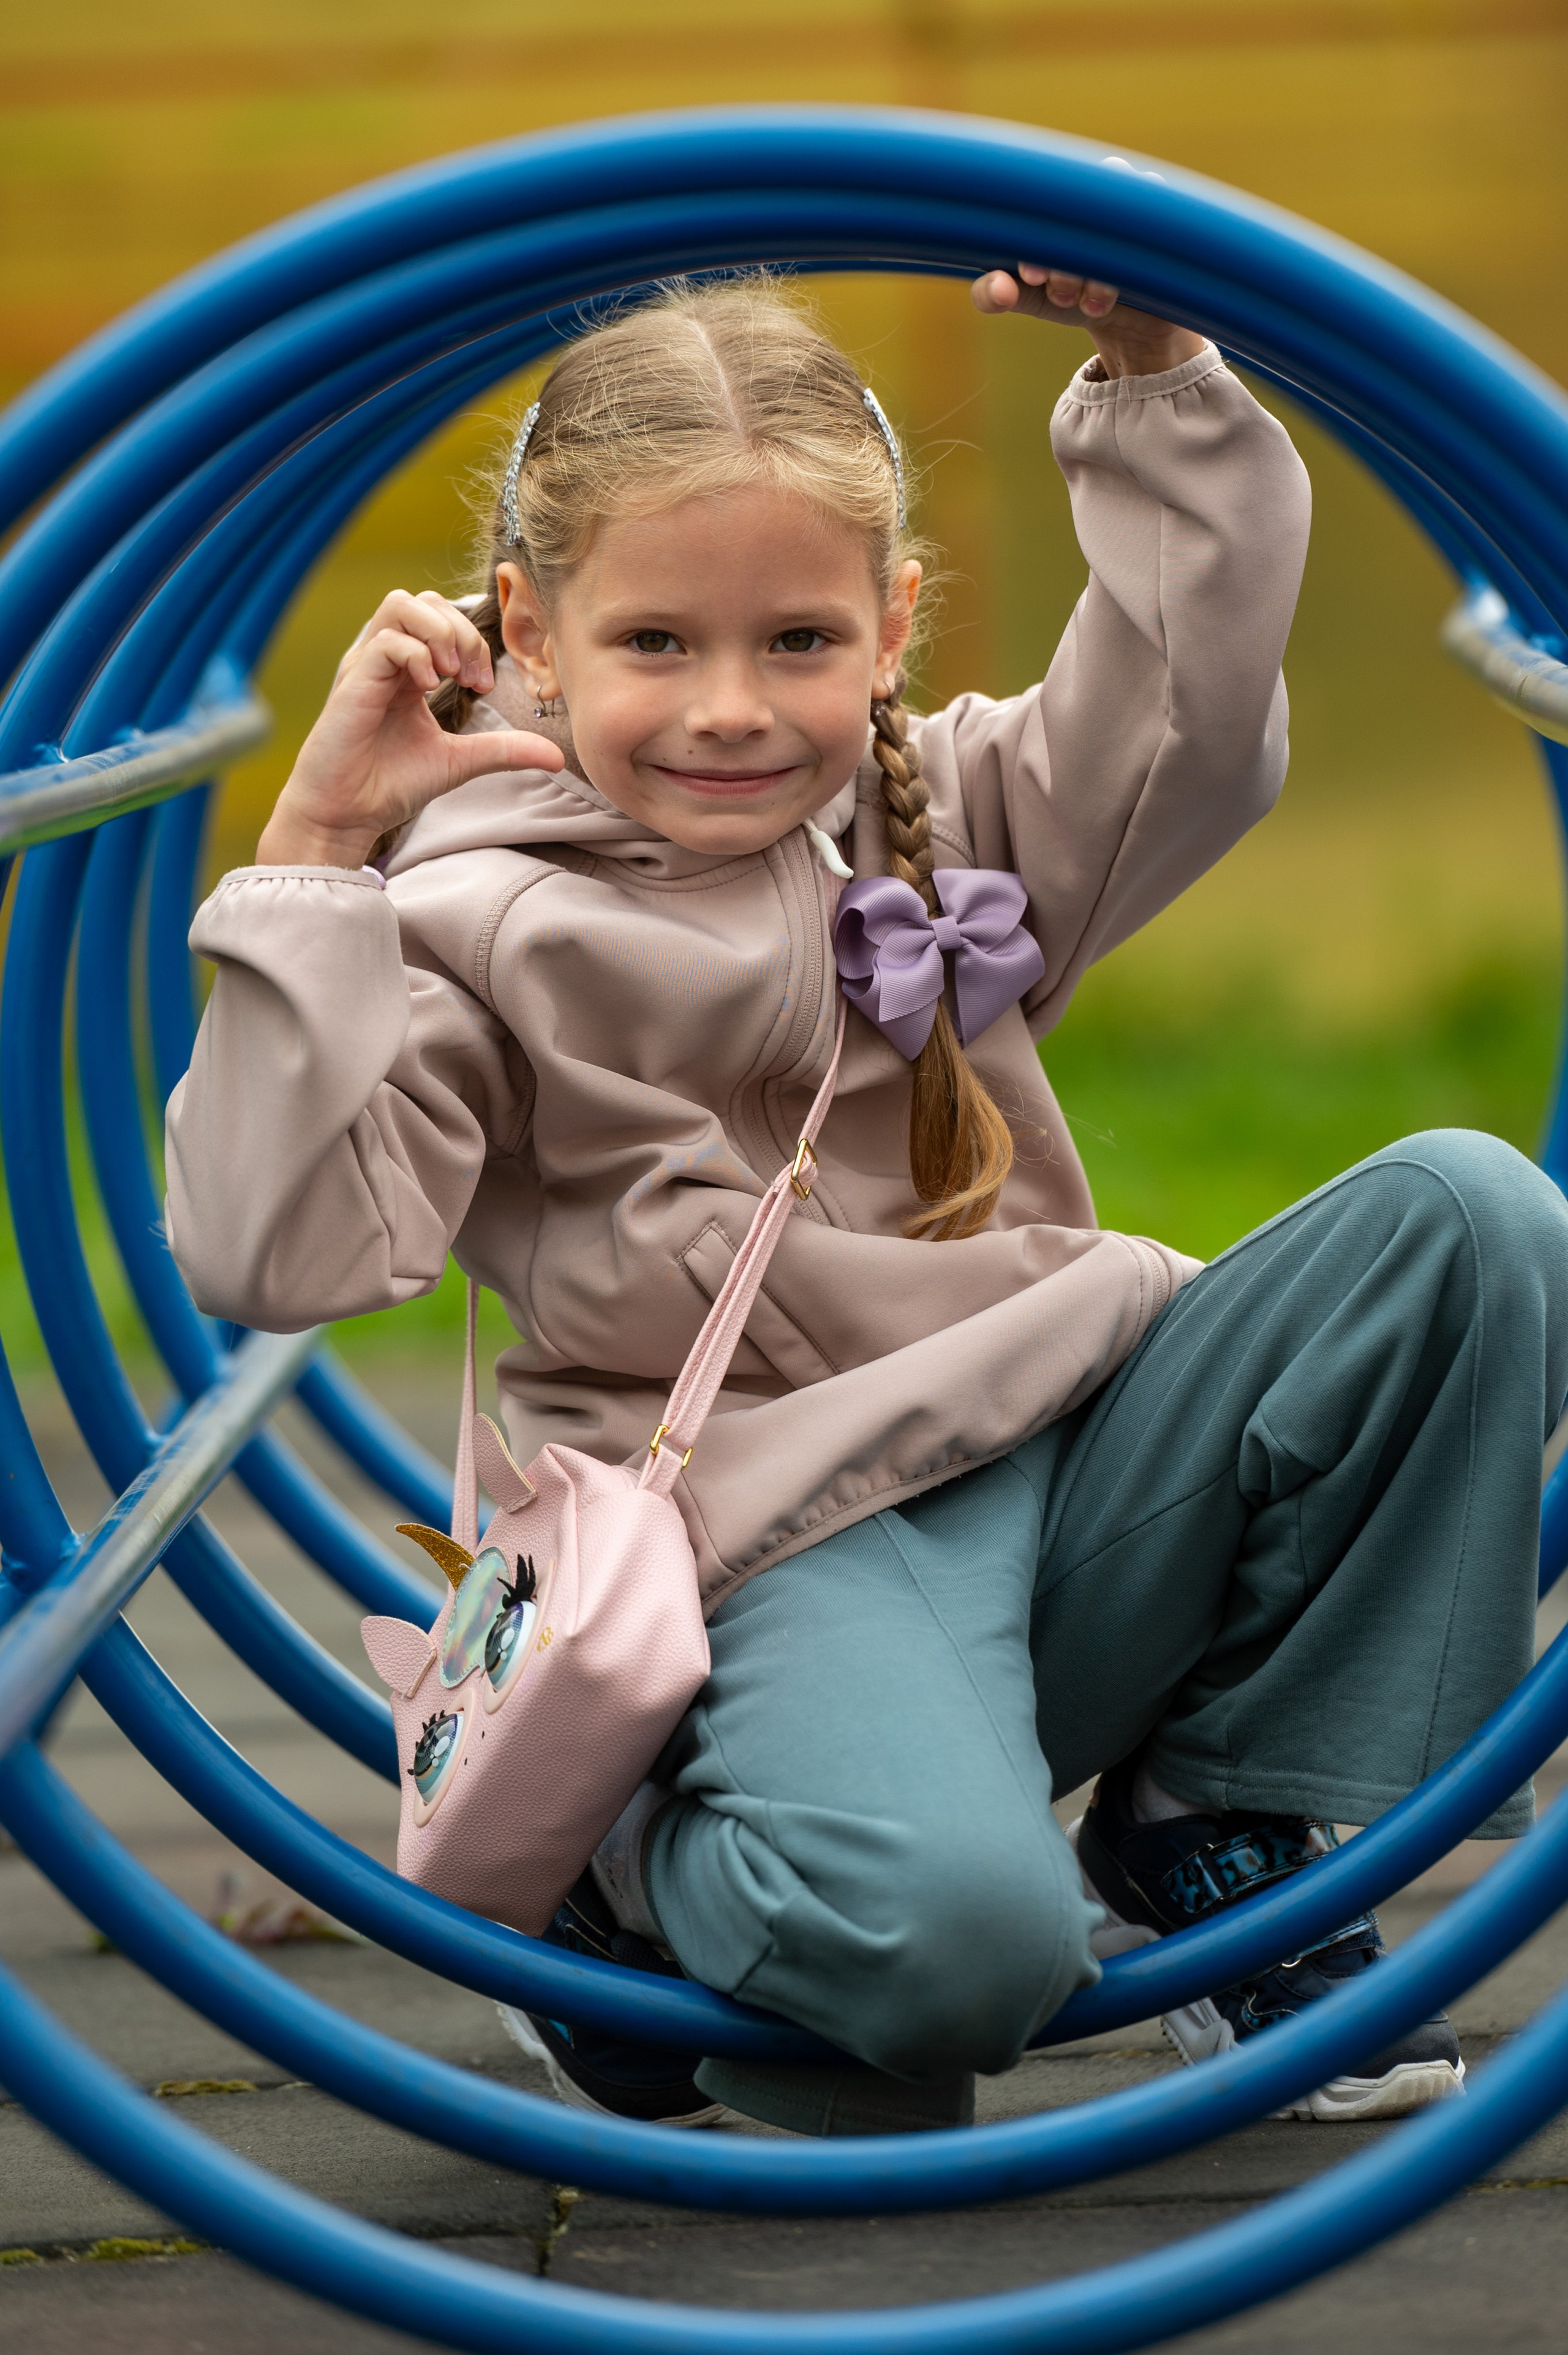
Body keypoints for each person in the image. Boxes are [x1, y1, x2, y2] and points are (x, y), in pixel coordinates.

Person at [165, 267, 1568, 2138]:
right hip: (770, 1551)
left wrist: (1155, 372)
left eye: (798, 640)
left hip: (1069, 1453)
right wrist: (315, 856)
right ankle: (627, 1876)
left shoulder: (943, 818)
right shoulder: (453, 920)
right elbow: (281, 1251)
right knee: (952, 1971)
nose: (731, 710)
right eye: (655, 641)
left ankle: (1211, 1817)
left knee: (1478, 1219)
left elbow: (1191, 724)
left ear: (892, 625)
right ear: (531, 629)